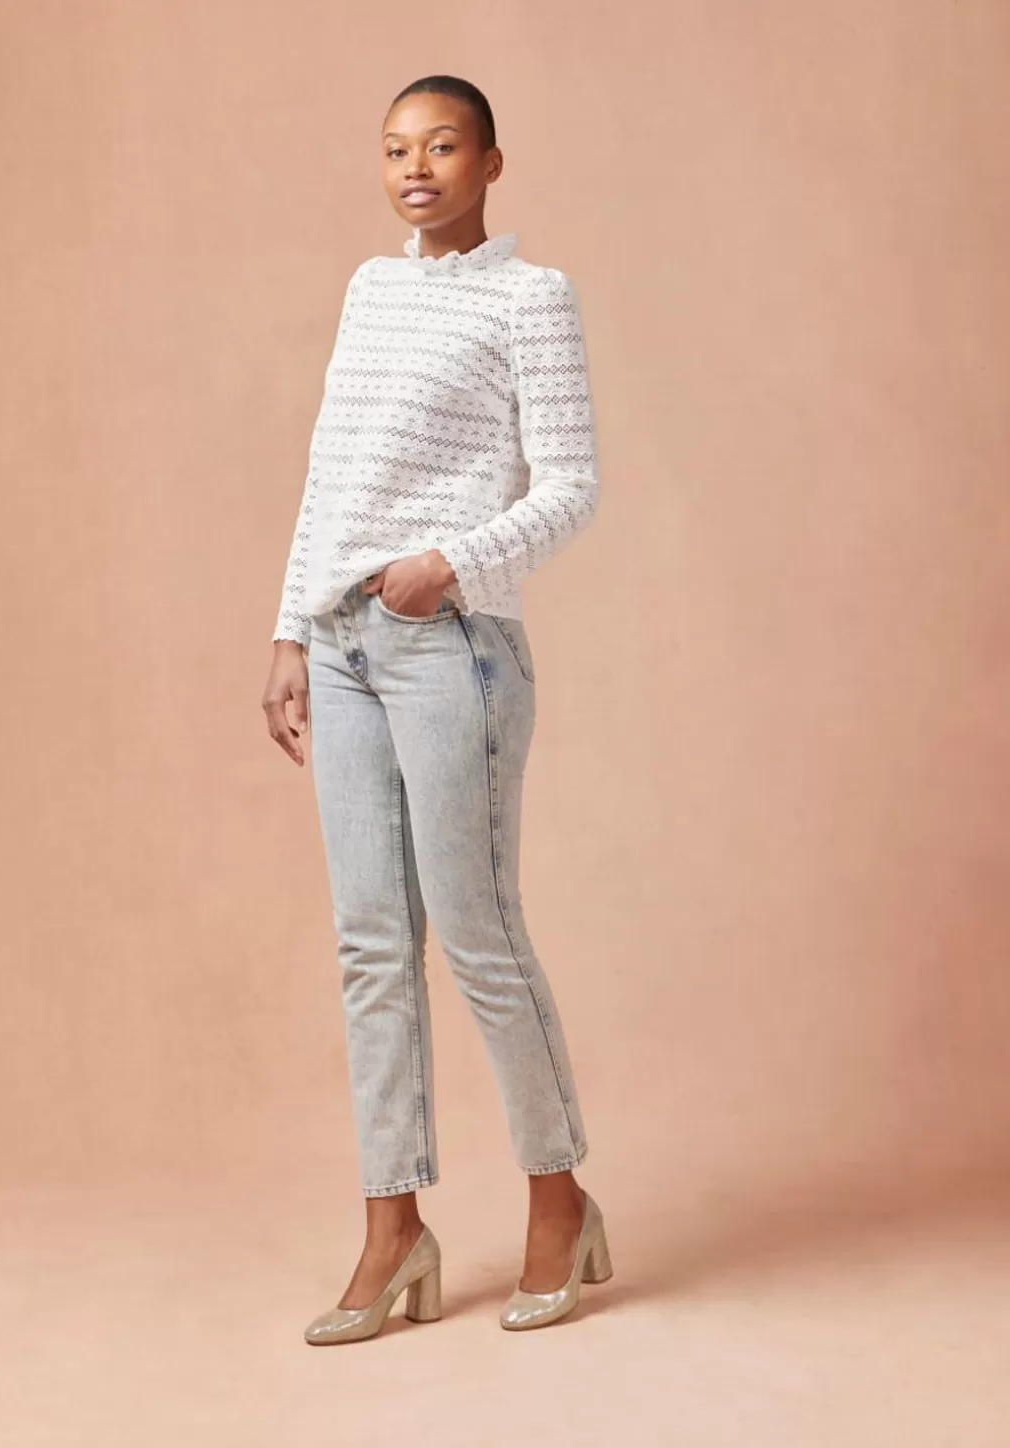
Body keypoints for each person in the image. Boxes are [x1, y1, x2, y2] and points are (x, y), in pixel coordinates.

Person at [263, 73, 611, 1344]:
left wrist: (448, 565)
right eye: (396, 148)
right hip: (343, 642)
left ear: (491, 163)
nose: (416, 168)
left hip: (449, 643)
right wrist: (291, 626)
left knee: (476, 929)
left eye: (443, 145)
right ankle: (393, 1227)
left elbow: (571, 485)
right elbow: (331, 476)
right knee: (370, 942)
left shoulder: (531, 297)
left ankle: (559, 1201)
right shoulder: (371, 289)